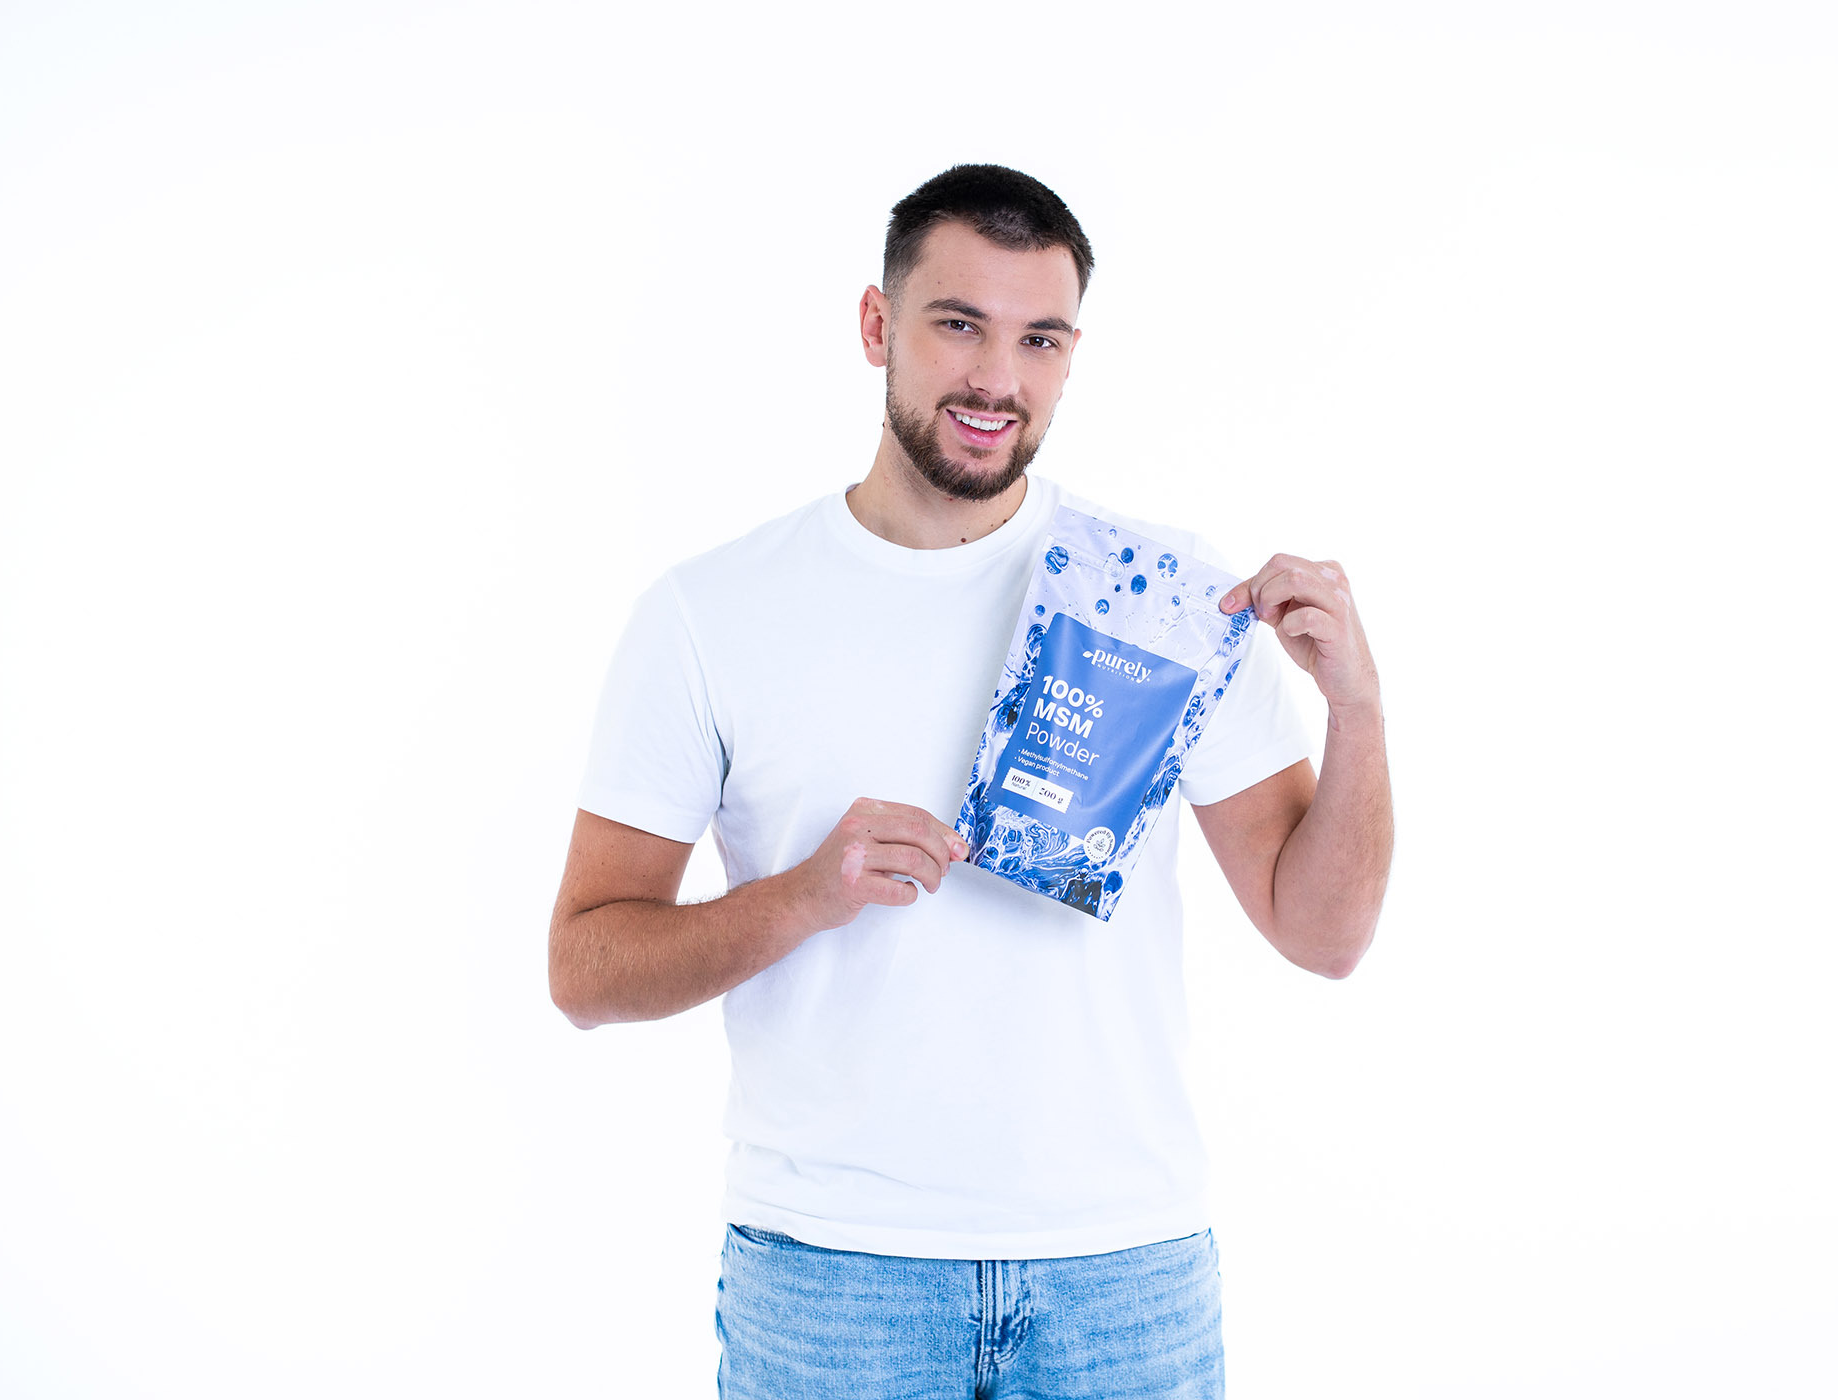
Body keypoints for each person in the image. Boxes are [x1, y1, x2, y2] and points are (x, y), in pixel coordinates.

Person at [550, 164, 1393, 1399]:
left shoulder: (1161, 599)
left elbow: (1324, 935)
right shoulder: (708, 614)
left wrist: (1357, 707)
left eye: (1040, 337)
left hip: (1122, 1274)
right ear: (877, 325)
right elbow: (583, 967)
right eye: (959, 324)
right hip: (835, 1278)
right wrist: (803, 895)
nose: (998, 378)